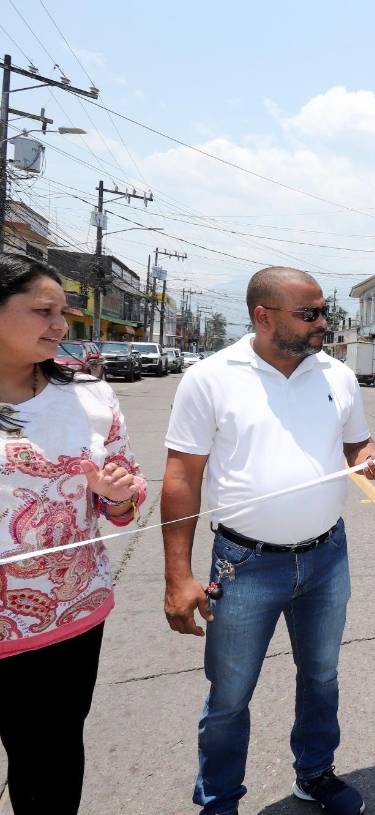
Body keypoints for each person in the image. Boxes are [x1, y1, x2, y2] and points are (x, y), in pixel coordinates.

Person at [161, 267, 375, 815]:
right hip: (245, 565)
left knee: (320, 678)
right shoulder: (211, 377)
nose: (323, 323)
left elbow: (357, 446)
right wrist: (178, 575)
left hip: (325, 556)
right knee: (229, 697)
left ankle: (314, 775)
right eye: (309, 314)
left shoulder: (337, 375)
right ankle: (219, 802)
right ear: (263, 317)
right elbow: (181, 476)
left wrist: (371, 460)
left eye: (324, 312)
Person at [0, 253, 146, 814]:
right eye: (43, 311)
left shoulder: (89, 397)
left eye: (63, 312)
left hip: (67, 617)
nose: (60, 326)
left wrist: (116, 494)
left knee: (50, 763)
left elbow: (124, 508)